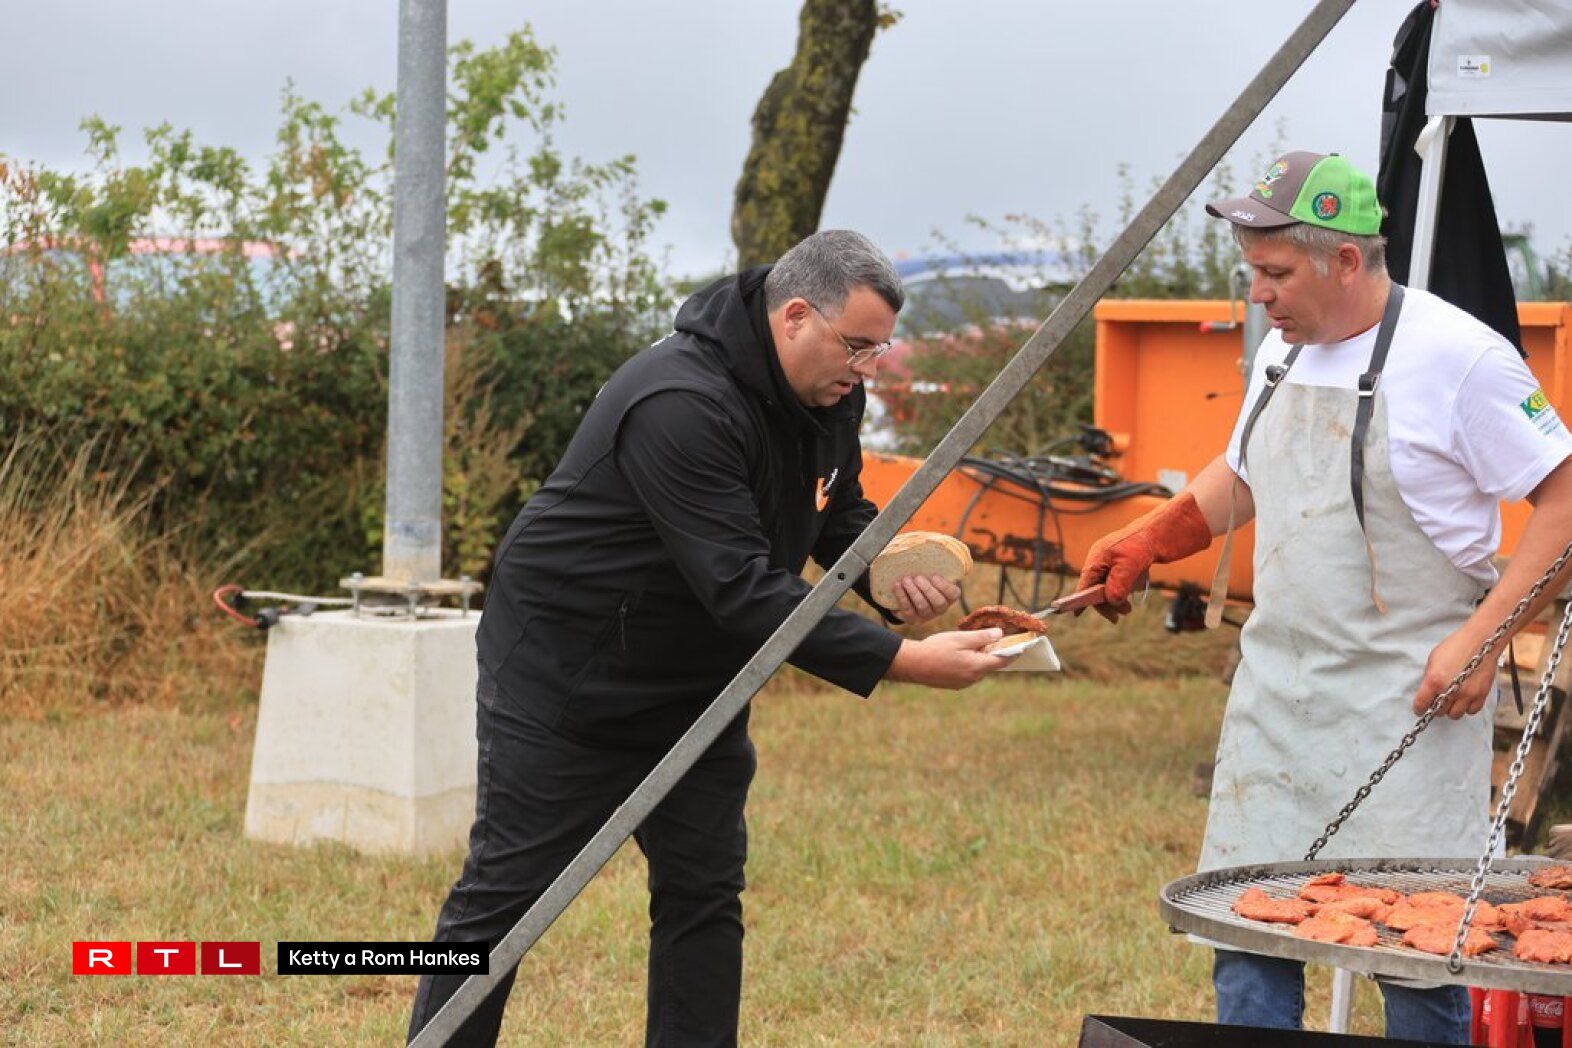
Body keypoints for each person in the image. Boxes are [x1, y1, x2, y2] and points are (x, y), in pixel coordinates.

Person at [408, 229, 1013, 1046]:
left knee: (703, 895)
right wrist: (901, 661)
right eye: (858, 347)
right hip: (569, 677)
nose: (868, 369)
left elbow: (836, 509)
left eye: (879, 350)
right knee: (503, 901)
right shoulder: (679, 403)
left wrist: (882, 578)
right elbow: (741, 588)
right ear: (795, 316)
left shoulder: (831, 391)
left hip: (700, 685)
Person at [1077, 151, 1572, 1042]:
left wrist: (1485, 640)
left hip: (1407, 708)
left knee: (1414, 953)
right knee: (1249, 938)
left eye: (1275, 273)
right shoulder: (1283, 345)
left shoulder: (1461, 359)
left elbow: (1565, 502)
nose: (1258, 293)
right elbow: (1249, 470)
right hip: (1278, 700)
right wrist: (1155, 535)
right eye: (1252, 271)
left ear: (1345, 261)